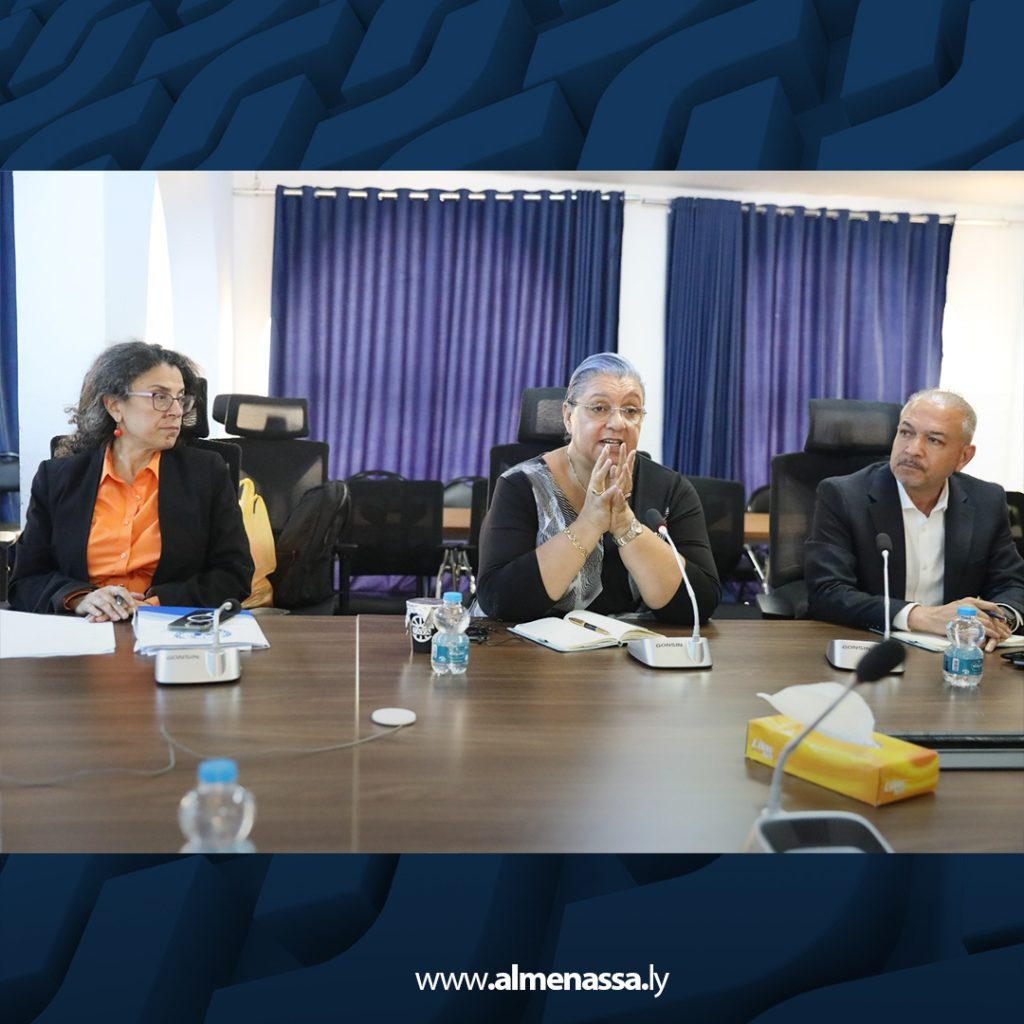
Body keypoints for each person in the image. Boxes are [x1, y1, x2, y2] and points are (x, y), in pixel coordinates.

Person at [9, 341, 254, 619]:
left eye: (181, 397)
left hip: (170, 627)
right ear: (115, 406)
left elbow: (234, 574)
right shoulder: (57, 478)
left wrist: (153, 606)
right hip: (82, 628)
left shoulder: (206, 472)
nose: (176, 411)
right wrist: (81, 598)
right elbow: (26, 580)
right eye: (160, 397)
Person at [477, 353, 720, 624]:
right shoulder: (521, 485)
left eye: (631, 410)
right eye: (599, 408)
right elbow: (499, 600)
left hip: (635, 652)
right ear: (568, 416)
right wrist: (590, 524)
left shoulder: (671, 488)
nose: (618, 423)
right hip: (535, 654)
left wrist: (626, 525)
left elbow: (700, 604)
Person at [806, 388, 1024, 651]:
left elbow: (1010, 582)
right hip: (870, 649)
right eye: (906, 432)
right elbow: (828, 592)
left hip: (955, 653)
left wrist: (997, 619)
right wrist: (921, 616)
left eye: (933, 440)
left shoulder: (986, 500)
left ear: (963, 457)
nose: (913, 449)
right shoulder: (843, 495)